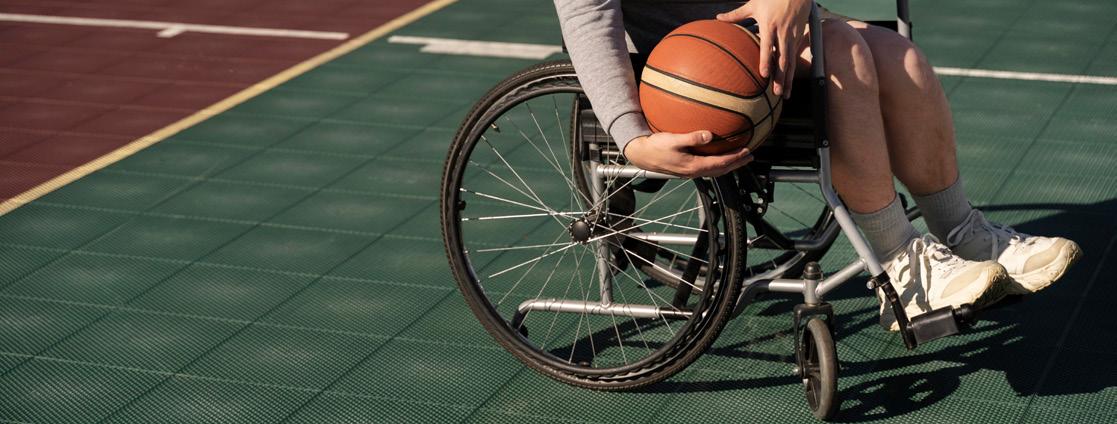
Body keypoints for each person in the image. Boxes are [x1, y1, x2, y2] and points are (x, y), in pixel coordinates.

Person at [554, 0, 1081, 330]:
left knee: (900, 57)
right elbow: (586, 11)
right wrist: (631, 136)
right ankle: (902, 266)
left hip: (754, 20)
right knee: (843, 50)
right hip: (677, 62)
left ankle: (962, 232)